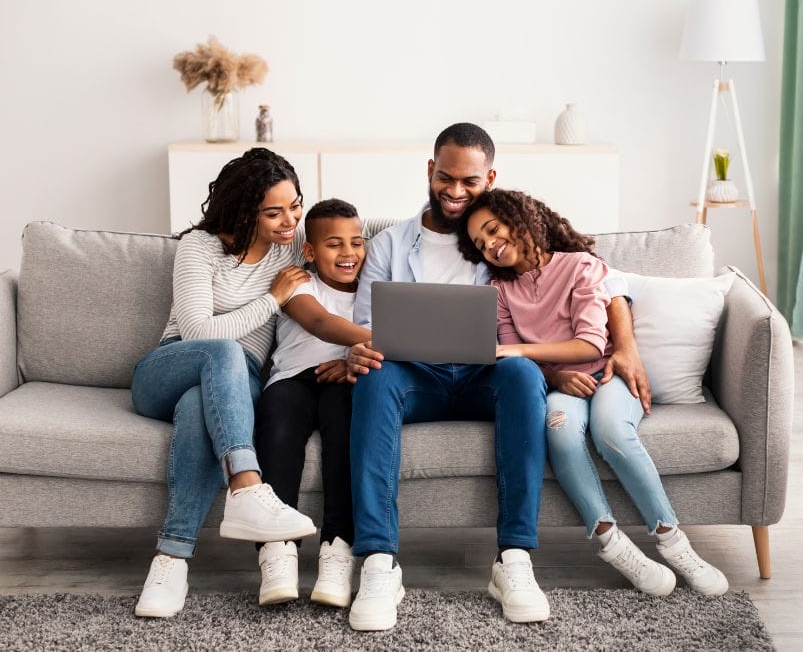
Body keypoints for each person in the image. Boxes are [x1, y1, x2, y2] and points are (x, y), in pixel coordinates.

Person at [343, 123, 653, 631]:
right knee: (375, 380)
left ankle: (514, 560)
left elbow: (601, 275)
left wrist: (627, 345)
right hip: (414, 378)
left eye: (470, 181)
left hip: (489, 373)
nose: (456, 192)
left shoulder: (507, 226)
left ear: (490, 178)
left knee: (521, 376)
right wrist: (360, 349)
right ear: (430, 170)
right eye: (446, 178)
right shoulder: (390, 244)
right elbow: (366, 325)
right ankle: (379, 562)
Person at [457, 188, 729, 598]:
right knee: (560, 433)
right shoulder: (500, 291)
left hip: (608, 373)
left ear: (520, 219)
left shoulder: (580, 266)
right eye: (480, 243)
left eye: (493, 230)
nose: (490, 244)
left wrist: (517, 350)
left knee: (611, 432)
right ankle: (613, 544)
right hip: (563, 384)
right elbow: (518, 364)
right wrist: (553, 376)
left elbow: (587, 344)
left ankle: (674, 541)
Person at [131, 148, 318, 618]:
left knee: (200, 408)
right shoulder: (201, 247)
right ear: (244, 209)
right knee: (223, 351)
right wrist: (274, 298)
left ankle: (170, 561)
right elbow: (197, 331)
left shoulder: (294, 244)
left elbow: (354, 236)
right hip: (168, 368)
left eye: (295, 205)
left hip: (236, 387)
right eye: (273, 212)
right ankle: (248, 487)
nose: (289, 219)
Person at [252, 198, 372, 609]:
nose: (348, 253)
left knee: (345, 436)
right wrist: (397, 340)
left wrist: (350, 359)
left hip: (343, 380)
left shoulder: (374, 290)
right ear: (309, 251)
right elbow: (320, 322)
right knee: (278, 430)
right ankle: (277, 550)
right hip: (293, 380)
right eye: (334, 244)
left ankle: (338, 549)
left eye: (357, 242)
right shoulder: (297, 281)